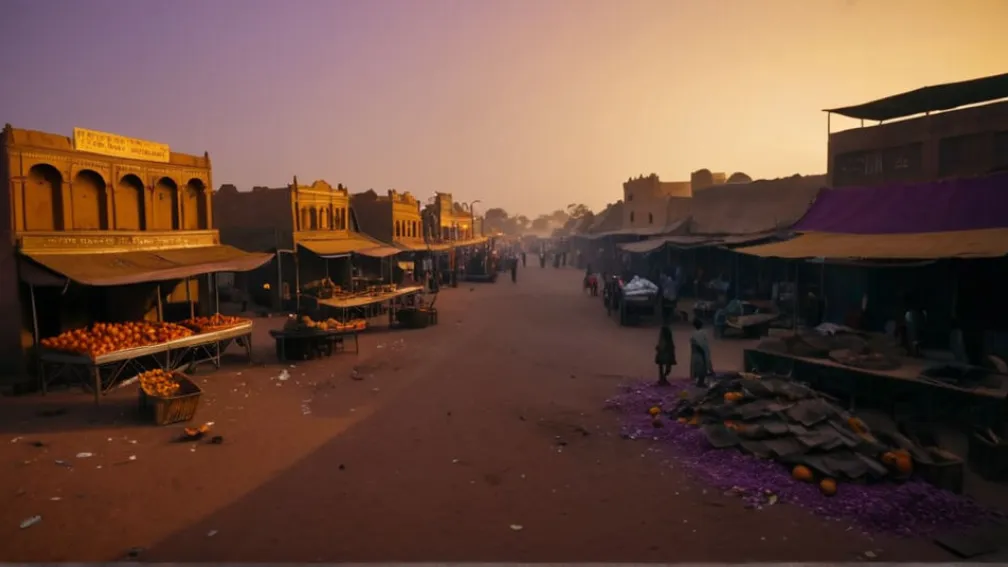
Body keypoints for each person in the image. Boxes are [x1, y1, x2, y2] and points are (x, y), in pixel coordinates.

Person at [689, 318, 713, 387]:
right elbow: (705, 344)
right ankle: (701, 382)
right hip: (701, 353)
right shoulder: (703, 333)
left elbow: (693, 343)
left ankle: (700, 382)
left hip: (695, 353)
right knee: (703, 368)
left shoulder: (693, 333)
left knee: (698, 368)